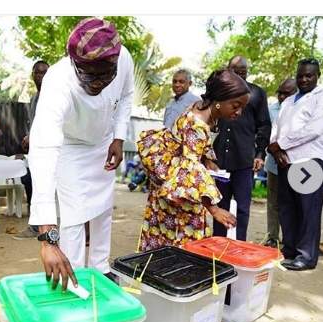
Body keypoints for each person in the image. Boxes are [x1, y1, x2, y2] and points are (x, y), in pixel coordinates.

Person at [28, 18, 134, 290]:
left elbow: (126, 96)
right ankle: (72, 277)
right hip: (70, 147)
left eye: (105, 74)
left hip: (103, 142)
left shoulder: (123, 59)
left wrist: (119, 137)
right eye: (89, 75)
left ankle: (101, 268)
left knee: (103, 211)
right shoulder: (58, 81)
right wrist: (48, 240)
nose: (98, 82)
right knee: (74, 215)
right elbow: (43, 154)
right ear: (74, 63)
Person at [137, 69, 250, 250]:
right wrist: (214, 209)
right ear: (219, 100)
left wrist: (208, 158)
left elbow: (192, 148)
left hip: (169, 182)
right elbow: (189, 172)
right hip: (177, 192)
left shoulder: (200, 107)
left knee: (164, 241)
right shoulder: (198, 125)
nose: (239, 112)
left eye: (242, 107)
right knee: (185, 241)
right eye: (235, 105)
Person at [268, 58, 323, 271]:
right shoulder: (289, 101)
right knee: (287, 208)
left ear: (317, 75)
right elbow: (277, 126)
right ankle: (289, 249)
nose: (304, 79)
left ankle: (306, 256)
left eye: (309, 75)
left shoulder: (319, 98)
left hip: (308, 161)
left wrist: (280, 145)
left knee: (308, 210)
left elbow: (314, 130)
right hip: (285, 161)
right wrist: (275, 147)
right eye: (301, 75)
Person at [212, 56, 271, 241]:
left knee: (243, 207)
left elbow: (264, 125)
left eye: (242, 72)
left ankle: (239, 244)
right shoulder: (218, 93)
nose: (239, 75)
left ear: (247, 72)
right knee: (220, 203)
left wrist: (260, 153)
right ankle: (218, 244)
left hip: (244, 159)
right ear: (228, 71)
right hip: (219, 160)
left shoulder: (256, 93)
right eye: (235, 72)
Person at [15, 60, 50, 239]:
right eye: (38, 73)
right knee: (29, 180)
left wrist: (33, 137)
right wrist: (28, 137)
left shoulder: (53, 96)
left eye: (45, 72)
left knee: (35, 182)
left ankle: (38, 225)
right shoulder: (35, 98)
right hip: (37, 150)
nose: (41, 76)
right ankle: (36, 223)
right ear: (33, 75)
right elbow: (35, 124)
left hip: (52, 150)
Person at [263, 78, 297, 248]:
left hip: (296, 165)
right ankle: (272, 237)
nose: (282, 96)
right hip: (274, 165)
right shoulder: (271, 110)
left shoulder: (300, 108)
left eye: (287, 93)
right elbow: (265, 134)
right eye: (280, 93)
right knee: (273, 203)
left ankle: (291, 240)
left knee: (293, 203)